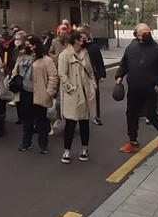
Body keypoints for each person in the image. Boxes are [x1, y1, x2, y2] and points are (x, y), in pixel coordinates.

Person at [115, 25, 158, 153]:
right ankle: (133, 142)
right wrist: (119, 75)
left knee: (151, 114)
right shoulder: (131, 47)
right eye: (144, 33)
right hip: (134, 89)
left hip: (151, 89)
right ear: (137, 35)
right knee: (131, 114)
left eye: (149, 32)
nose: (147, 34)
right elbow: (124, 63)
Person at [47, 31, 97, 164]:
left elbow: (90, 71)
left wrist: (93, 85)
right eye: (82, 39)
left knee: (84, 122)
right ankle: (67, 151)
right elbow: (62, 75)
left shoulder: (85, 53)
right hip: (73, 94)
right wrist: (70, 88)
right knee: (70, 123)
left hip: (86, 92)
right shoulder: (65, 55)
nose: (85, 41)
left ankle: (85, 149)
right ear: (76, 40)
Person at [15, 36, 54, 154]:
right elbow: (15, 70)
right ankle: (26, 142)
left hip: (39, 93)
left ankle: (43, 144)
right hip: (24, 92)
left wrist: (49, 91)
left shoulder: (46, 59)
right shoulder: (21, 56)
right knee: (26, 119)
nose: (27, 46)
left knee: (41, 119)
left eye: (29, 44)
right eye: (26, 44)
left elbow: (53, 76)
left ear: (36, 45)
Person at [80, 28, 107, 126]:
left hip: (92, 76)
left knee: (94, 95)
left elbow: (99, 61)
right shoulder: (76, 48)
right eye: (80, 37)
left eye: (84, 36)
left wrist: (101, 74)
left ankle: (96, 115)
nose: (82, 39)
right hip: (79, 76)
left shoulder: (93, 47)